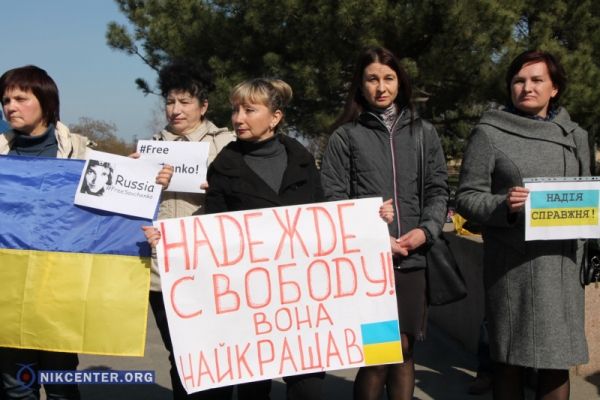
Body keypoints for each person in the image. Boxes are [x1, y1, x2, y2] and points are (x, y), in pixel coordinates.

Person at [0, 65, 172, 400]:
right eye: (6, 100)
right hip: (7, 292)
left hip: (61, 293)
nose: (10, 107)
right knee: (16, 387)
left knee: (61, 386)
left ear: (46, 103)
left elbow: (114, 212)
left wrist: (146, 179)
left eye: (20, 98)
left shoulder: (81, 152)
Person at [455, 50, 589, 400]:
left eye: (536, 80)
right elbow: (467, 197)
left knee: (557, 363)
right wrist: (505, 206)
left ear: (554, 88)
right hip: (512, 268)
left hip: (563, 268)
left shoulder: (576, 135)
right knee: (509, 363)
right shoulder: (489, 132)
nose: (527, 87)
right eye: (519, 80)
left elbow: (585, 196)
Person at [320, 46, 449, 400]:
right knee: (378, 355)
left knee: (405, 350)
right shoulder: (345, 136)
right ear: (360, 86)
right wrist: (373, 233)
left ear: (400, 82)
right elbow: (332, 199)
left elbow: (438, 190)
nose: (381, 87)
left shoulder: (423, 133)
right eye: (372, 79)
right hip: (368, 263)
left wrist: (425, 231)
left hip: (413, 259)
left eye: (388, 78)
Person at [141, 61, 235, 400]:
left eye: (185, 101)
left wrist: (217, 185)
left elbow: (245, 199)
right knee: (180, 355)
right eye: (170, 101)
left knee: (218, 352)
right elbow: (134, 207)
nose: (176, 110)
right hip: (162, 270)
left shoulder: (227, 145)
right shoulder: (149, 148)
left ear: (203, 106)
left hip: (214, 269)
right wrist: (141, 181)